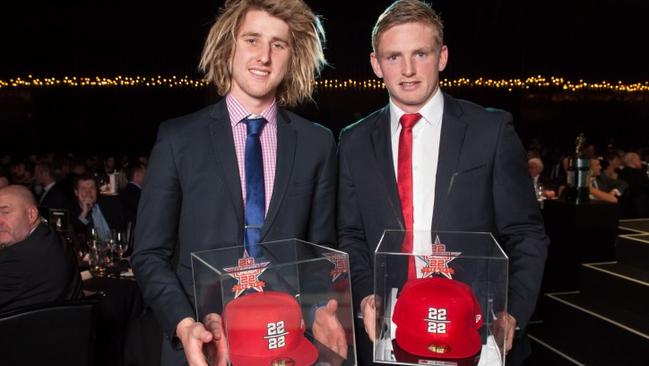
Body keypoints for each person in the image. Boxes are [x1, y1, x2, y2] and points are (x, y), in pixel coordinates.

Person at [130, 1, 343, 365]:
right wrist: (184, 325)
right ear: (229, 47)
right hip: (202, 345)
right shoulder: (179, 139)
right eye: (252, 40)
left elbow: (320, 251)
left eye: (279, 44)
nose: (264, 56)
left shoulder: (317, 143)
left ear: (293, 57)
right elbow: (149, 255)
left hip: (285, 344)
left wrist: (321, 309)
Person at [336, 1, 549, 364]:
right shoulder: (353, 141)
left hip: (476, 334)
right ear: (375, 64)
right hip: (390, 336)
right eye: (393, 57)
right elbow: (351, 236)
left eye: (420, 53)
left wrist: (511, 312)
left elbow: (526, 233)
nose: (407, 70)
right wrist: (365, 297)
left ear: (442, 56)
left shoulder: (490, 131)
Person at [0, 185, 82, 313]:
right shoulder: (52, 236)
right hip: (65, 328)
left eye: (5, 212)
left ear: (31, 215)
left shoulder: (15, 261)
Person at [69, 173, 127, 241]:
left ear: (97, 190)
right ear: (76, 192)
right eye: (83, 189)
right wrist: (84, 213)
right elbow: (74, 233)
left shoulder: (111, 203)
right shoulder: (70, 210)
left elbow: (123, 229)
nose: (88, 193)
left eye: (92, 188)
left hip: (113, 248)